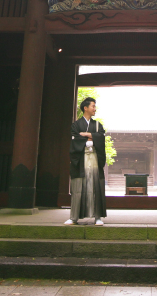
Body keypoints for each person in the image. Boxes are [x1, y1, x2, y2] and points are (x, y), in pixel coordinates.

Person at [65, 97, 107, 226]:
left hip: (94, 158)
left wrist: (87, 134)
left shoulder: (98, 125)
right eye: (93, 106)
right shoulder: (76, 125)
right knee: (78, 187)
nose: (95, 109)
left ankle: (97, 217)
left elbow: (101, 138)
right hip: (81, 159)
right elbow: (75, 139)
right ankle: (73, 217)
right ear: (85, 108)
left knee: (96, 186)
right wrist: (93, 137)